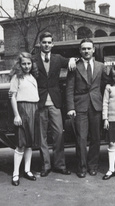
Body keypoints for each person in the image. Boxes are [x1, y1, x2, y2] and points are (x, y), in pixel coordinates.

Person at [66, 38, 109, 178]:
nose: (86, 51)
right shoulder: (74, 66)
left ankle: (93, 166)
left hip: (96, 106)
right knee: (81, 139)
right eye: (83, 49)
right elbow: (69, 88)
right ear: (80, 51)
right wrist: (71, 107)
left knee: (96, 138)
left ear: (93, 50)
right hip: (80, 107)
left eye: (89, 48)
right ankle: (82, 168)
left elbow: (111, 80)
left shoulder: (100, 66)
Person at [34, 32, 76, 177]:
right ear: (40, 44)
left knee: (58, 134)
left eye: (49, 42)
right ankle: (46, 166)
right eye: (44, 42)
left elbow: (75, 60)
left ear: (52, 44)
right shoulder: (33, 60)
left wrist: (71, 59)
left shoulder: (58, 58)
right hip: (39, 103)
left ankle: (60, 165)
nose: (46, 45)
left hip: (55, 102)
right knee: (42, 136)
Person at [9, 52, 40, 186]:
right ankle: (16, 173)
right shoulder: (16, 78)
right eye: (24, 64)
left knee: (30, 143)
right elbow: (12, 97)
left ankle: (27, 170)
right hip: (22, 110)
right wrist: (16, 115)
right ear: (19, 65)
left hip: (34, 109)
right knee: (21, 143)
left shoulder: (33, 77)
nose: (27, 66)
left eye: (29, 63)